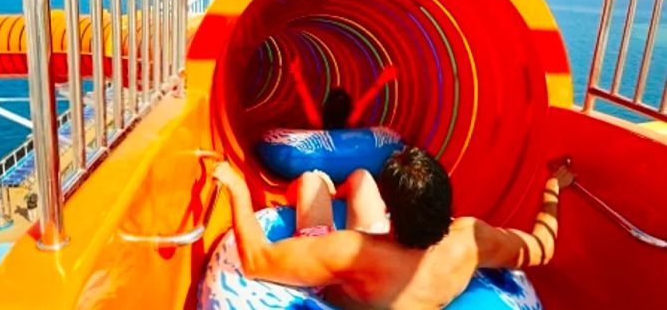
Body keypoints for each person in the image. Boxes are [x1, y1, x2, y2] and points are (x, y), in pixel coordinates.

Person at [213, 147, 575, 310]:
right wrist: (552, 189)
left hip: (347, 279)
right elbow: (543, 246)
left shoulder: (351, 250)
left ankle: (321, 183)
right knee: (360, 179)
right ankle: (340, 186)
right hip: (398, 258)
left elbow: (257, 262)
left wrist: (238, 189)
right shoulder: (472, 237)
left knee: (309, 183)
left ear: (393, 213)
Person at [289, 57, 398, 129]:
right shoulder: (350, 122)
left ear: (326, 106)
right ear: (349, 107)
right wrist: (383, 78)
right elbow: (365, 101)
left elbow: (306, 99)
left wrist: (297, 74)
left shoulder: (318, 123)